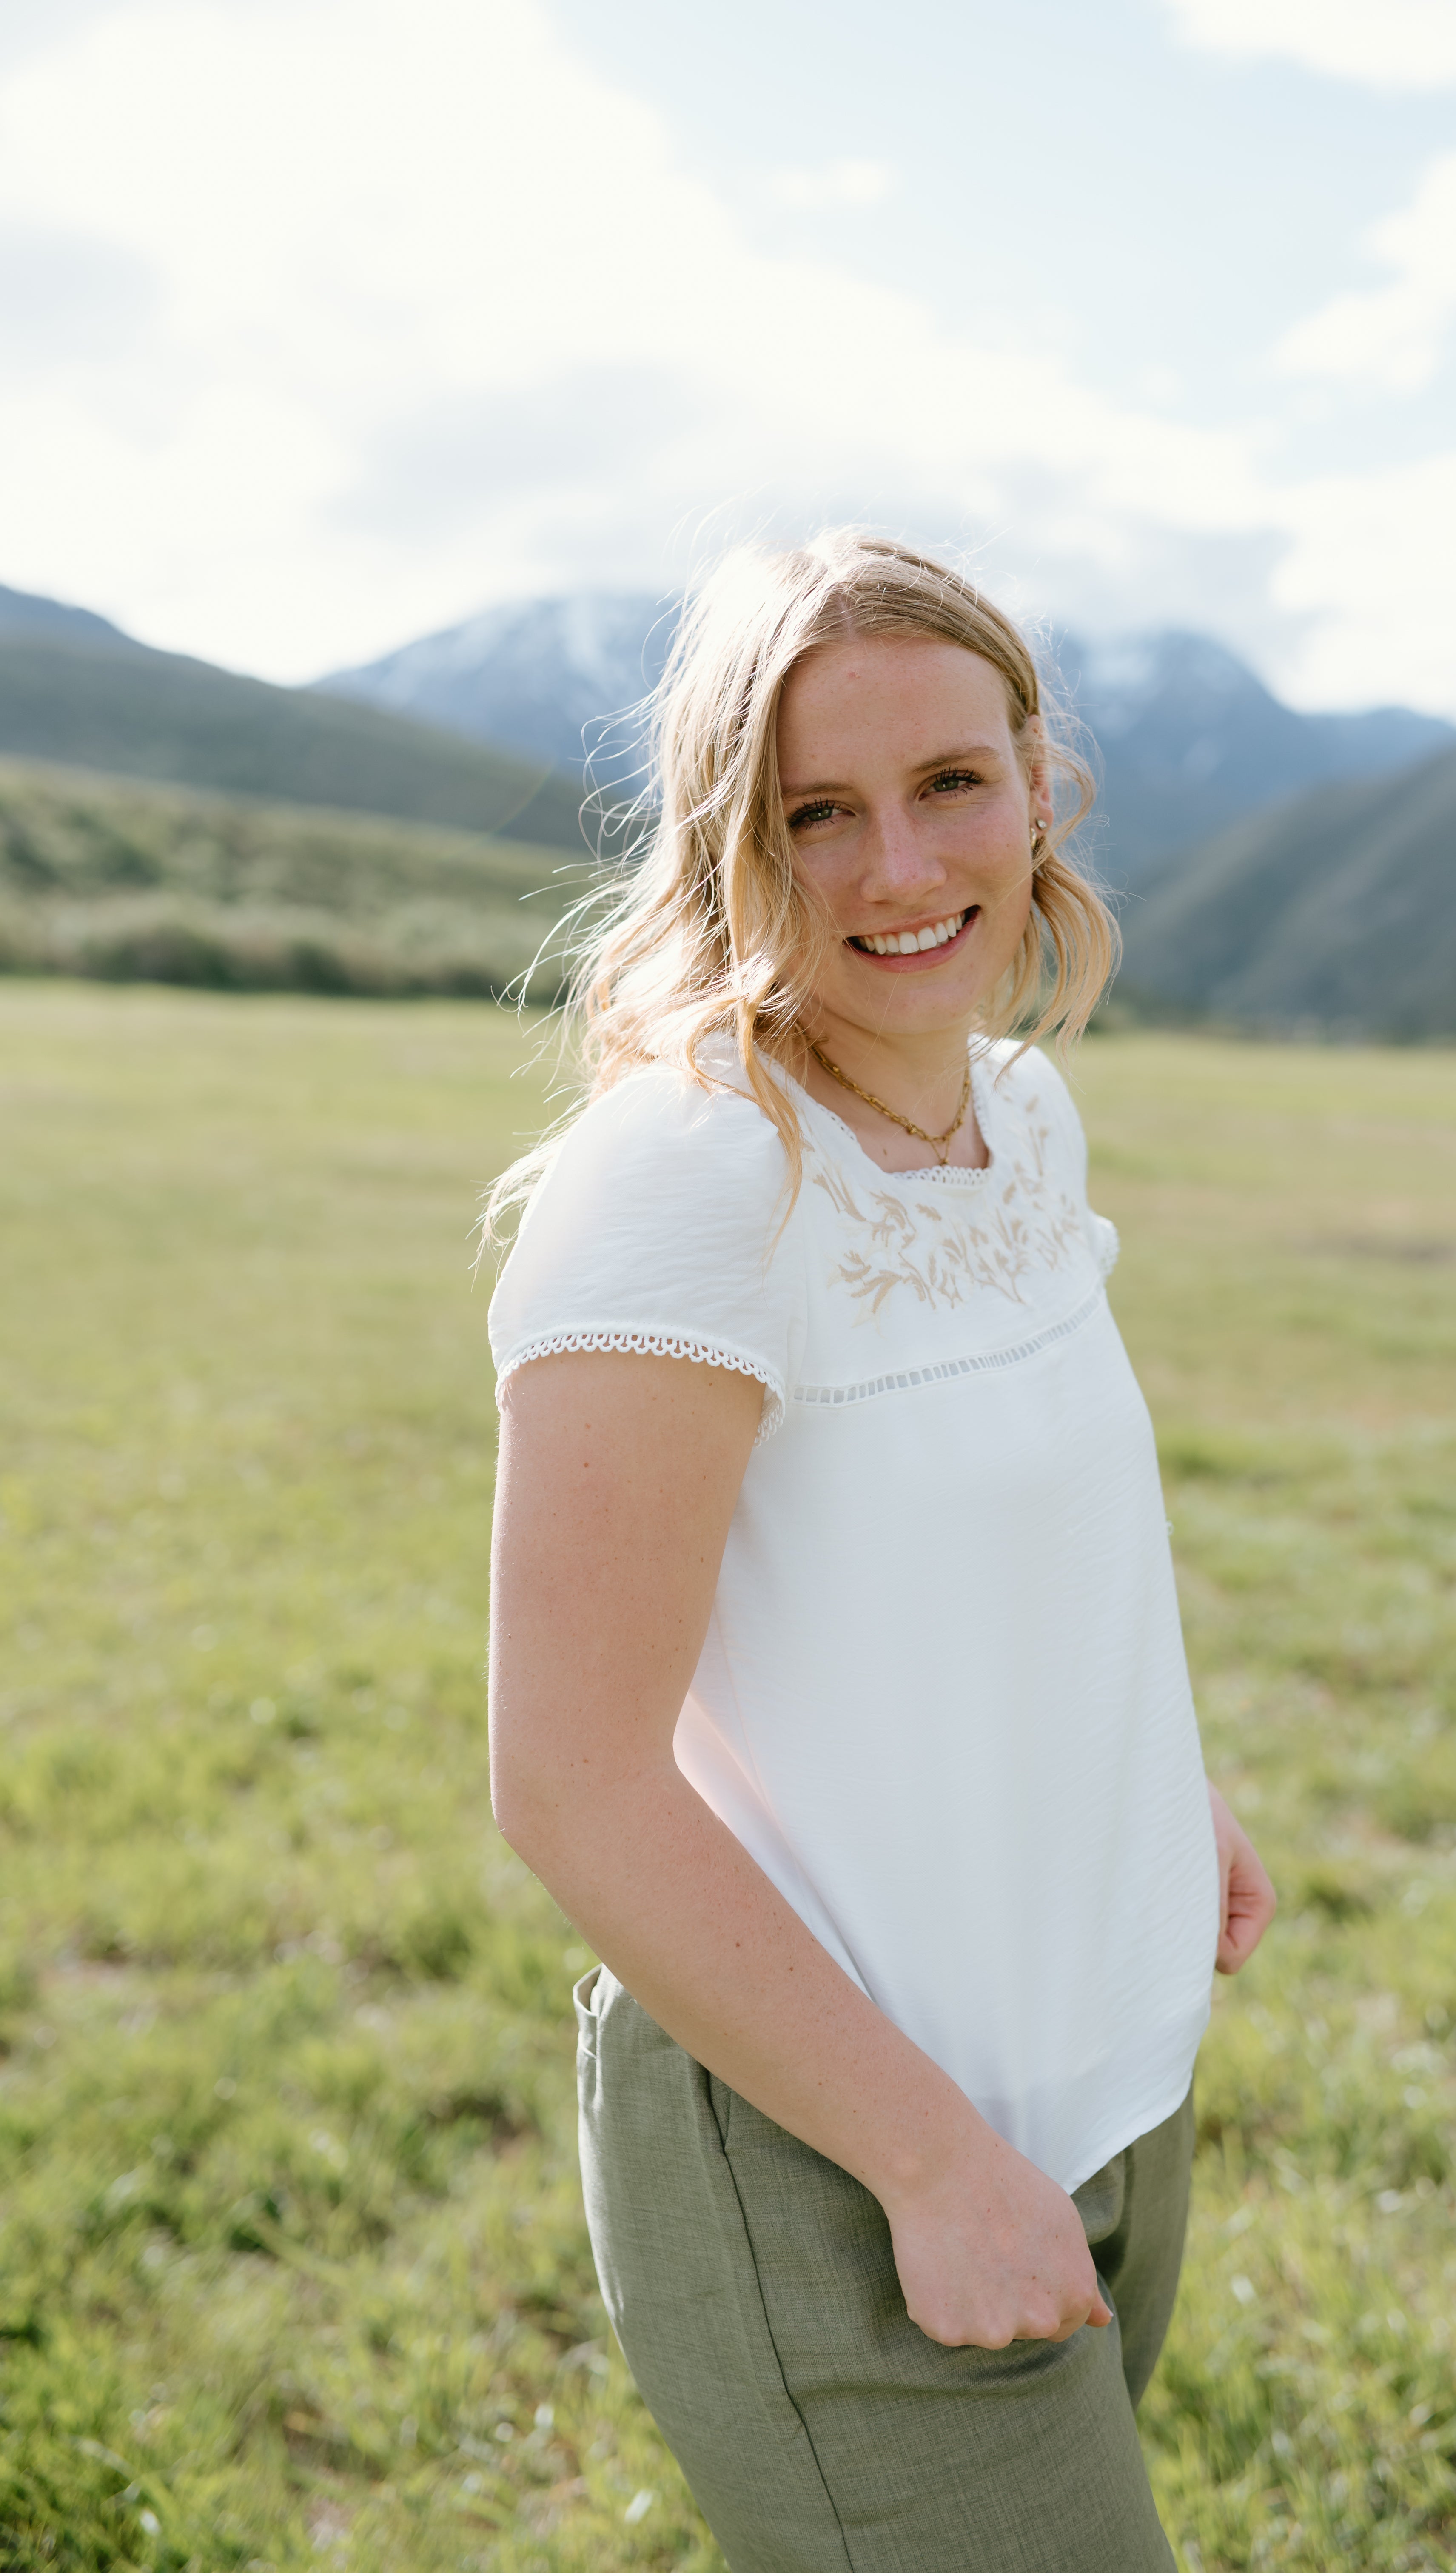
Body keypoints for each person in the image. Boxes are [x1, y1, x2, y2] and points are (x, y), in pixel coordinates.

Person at [485, 531, 1275, 2573]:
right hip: (842, 2152)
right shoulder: (689, 1178)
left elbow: (1003, 1549)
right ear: (723, 845)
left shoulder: (1019, 1114)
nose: (902, 870)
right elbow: (568, 1781)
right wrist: (930, 2163)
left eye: (950, 787)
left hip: (1102, 2092)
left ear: (1039, 784)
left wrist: (1153, 1789)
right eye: (814, 815)